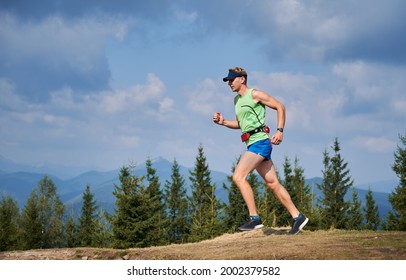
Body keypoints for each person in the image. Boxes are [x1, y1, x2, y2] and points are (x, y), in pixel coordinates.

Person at [213, 67, 308, 234]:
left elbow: (280, 107)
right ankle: (297, 217)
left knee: (238, 176)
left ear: (242, 79)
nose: (229, 83)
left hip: (261, 142)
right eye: (228, 80)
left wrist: (280, 130)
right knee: (273, 184)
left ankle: (254, 219)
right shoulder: (237, 100)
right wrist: (223, 122)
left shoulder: (255, 94)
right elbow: (241, 124)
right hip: (252, 143)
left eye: (232, 79)